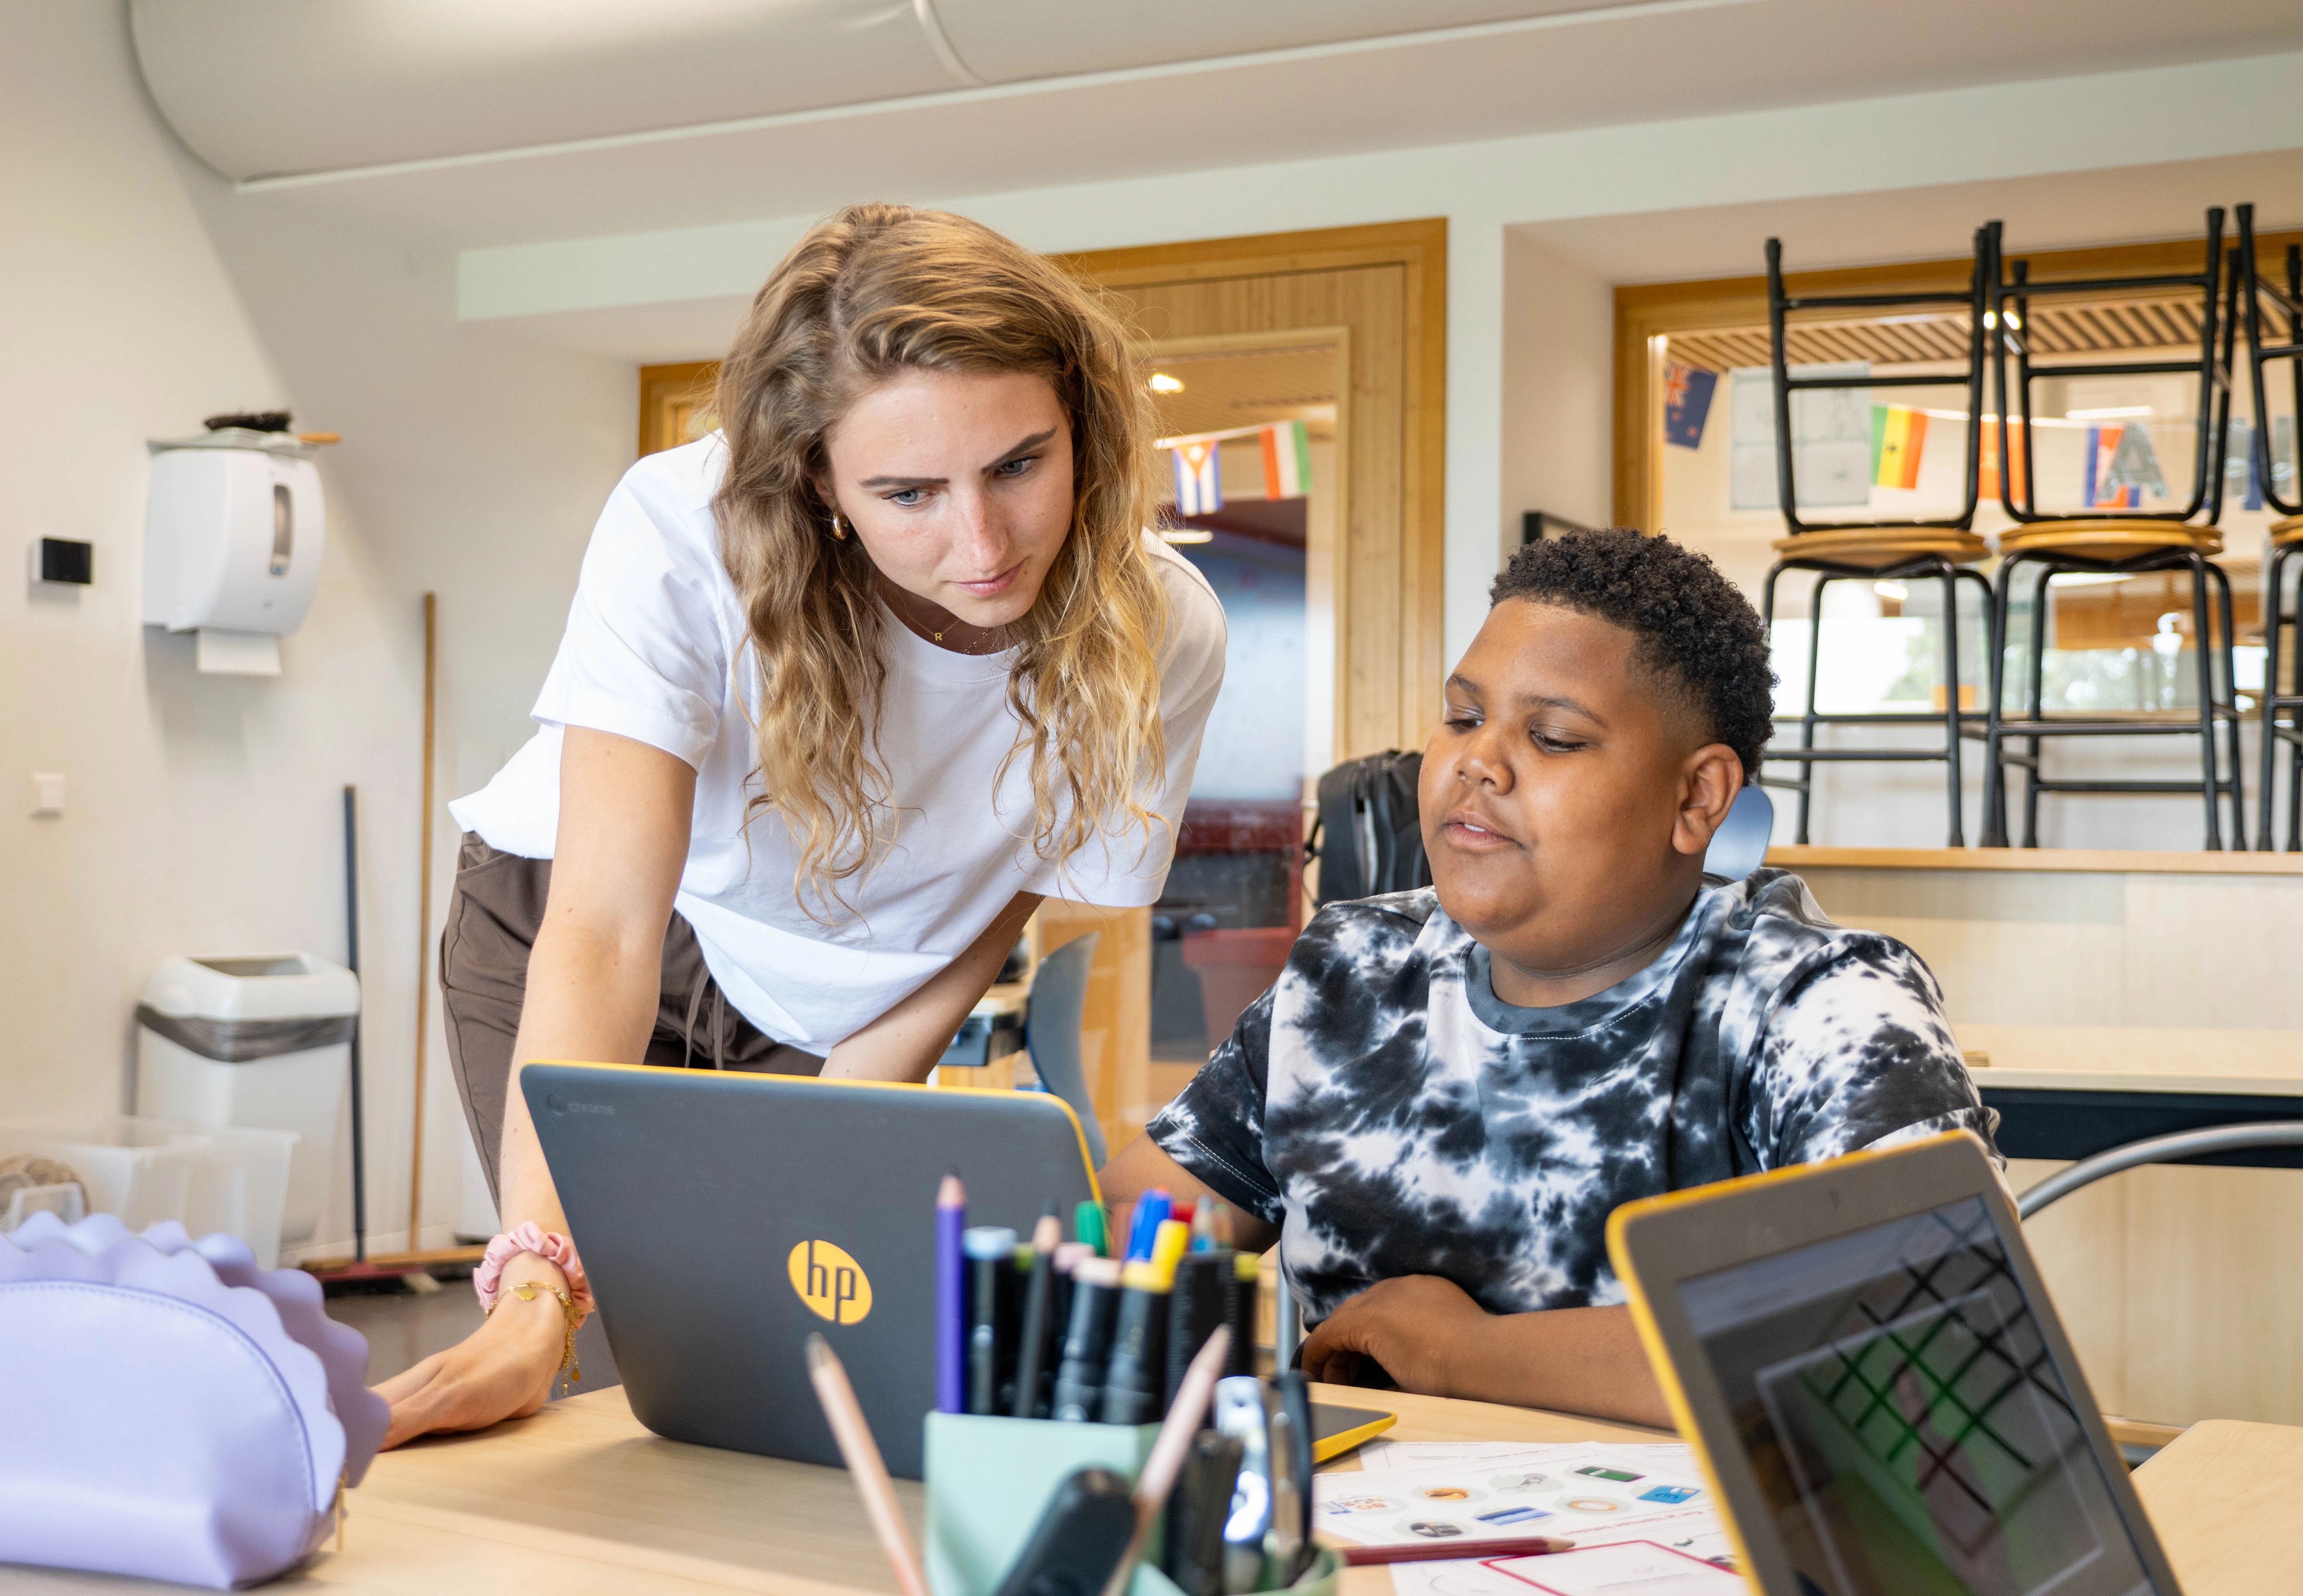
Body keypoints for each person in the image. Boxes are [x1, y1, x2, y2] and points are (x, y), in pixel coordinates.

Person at [380, 205, 1225, 1447]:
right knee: (609, 1365)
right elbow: (606, 924)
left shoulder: (1163, 628)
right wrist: (534, 1289)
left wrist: (834, 1128)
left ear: (1082, 430)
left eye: (1018, 465)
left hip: (826, 995)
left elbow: (993, 909)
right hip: (597, 926)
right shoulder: (684, 532)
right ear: (817, 480)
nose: (982, 544)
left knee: (776, 1369)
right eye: (908, 492)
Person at [1100, 527, 1996, 1425]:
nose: (1475, 761)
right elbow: (1135, 1223)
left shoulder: (1816, 1002)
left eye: (1554, 736)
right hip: (1358, 1544)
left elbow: (1934, 1334)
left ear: (1697, 799)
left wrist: (1465, 1353)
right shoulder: (1349, 971)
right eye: (1460, 716)